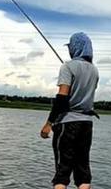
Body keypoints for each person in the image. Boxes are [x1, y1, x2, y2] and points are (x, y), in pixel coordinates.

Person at [40, 32, 99, 189]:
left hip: (68, 124)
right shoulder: (94, 70)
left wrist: (49, 124)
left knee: (62, 171)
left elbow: (62, 98)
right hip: (87, 124)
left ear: (75, 48)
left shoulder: (67, 67)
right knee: (83, 171)